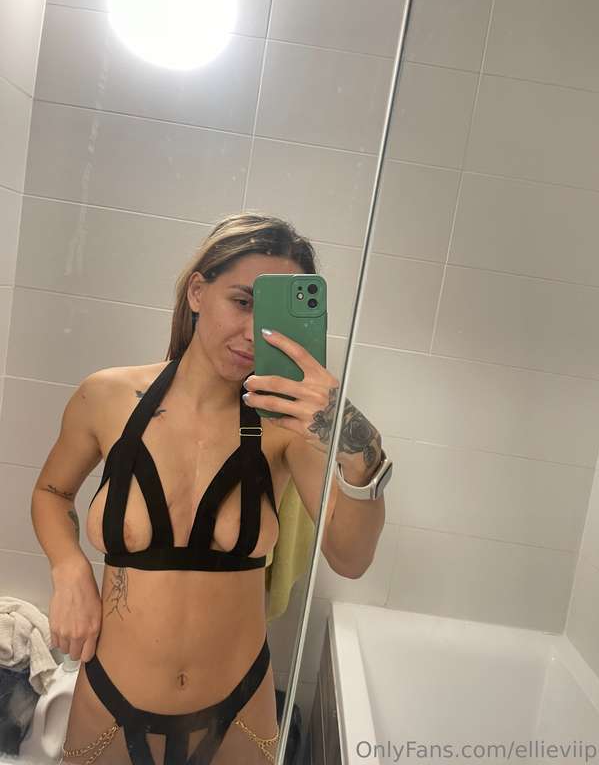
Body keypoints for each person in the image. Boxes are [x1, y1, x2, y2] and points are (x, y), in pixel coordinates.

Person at [31, 211, 386, 765]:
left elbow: (351, 557)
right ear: (198, 291)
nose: (253, 333)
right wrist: (69, 568)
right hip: (108, 704)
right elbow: (52, 493)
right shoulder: (106, 397)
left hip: (240, 713)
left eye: (271, 316)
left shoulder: (286, 428)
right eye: (241, 302)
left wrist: (356, 441)